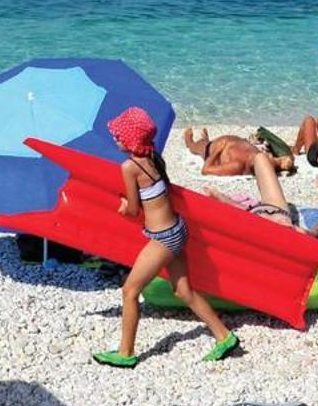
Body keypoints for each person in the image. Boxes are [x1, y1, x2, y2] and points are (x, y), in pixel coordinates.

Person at [93, 108, 237, 367]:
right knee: (184, 291)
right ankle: (224, 336)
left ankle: (125, 353)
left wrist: (125, 207)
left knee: (129, 291)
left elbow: (135, 210)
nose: (115, 140)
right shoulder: (154, 159)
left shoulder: (130, 167)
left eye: (118, 136)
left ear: (131, 139)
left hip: (163, 238)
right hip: (177, 230)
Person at [182, 128, 263, 178]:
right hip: (225, 143)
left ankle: (190, 143)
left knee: (200, 145)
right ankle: (206, 139)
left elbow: (205, 170)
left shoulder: (237, 165)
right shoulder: (258, 155)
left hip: (210, 149)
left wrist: (217, 150)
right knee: (207, 142)